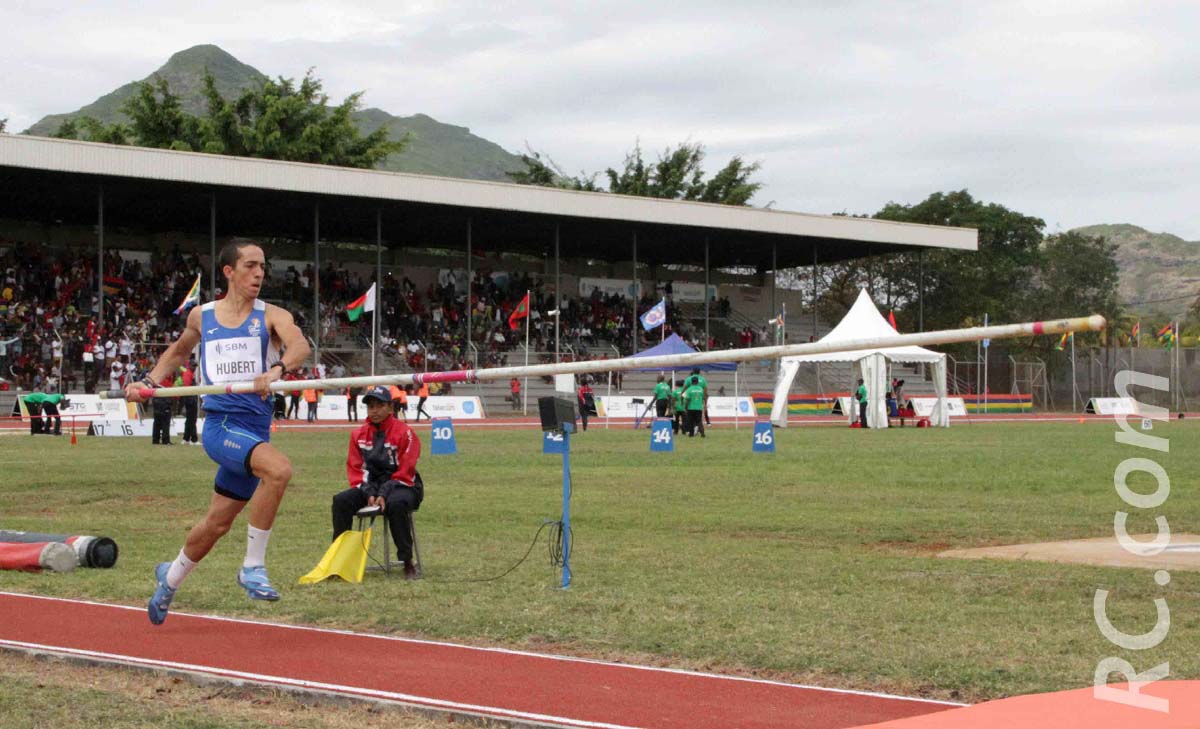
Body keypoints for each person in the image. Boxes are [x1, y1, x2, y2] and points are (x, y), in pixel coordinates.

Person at [127, 240, 310, 626]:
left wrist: (278, 369)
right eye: (250, 265)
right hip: (221, 426)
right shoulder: (203, 316)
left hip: (254, 432)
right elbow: (179, 352)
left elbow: (299, 345)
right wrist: (149, 381)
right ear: (229, 271)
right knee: (278, 470)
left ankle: (169, 581)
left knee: (216, 524)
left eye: (262, 266)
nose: (258, 273)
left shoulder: (272, 315)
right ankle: (252, 566)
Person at [332, 385, 422, 579]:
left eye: (380, 405)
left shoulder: (405, 432)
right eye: (371, 406)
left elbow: (406, 470)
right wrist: (369, 492)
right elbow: (356, 470)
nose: (374, 410)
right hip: (371, 486)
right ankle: (339, 562)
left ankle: (408, 562)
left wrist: (383, 493)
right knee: (341, 501)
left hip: (404, 484)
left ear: (390, 407)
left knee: (396, 504)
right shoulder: (357, 435)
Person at [151, 373, 174, 446]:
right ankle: (165, 440)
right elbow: (171, 391)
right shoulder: (166, 381)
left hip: (156, 401)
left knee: (157, 422)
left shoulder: (156, 380)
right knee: (165, 422)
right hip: (164, 402)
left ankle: (155, 440)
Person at [180, 363, 199, 445]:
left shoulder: (188, 373)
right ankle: (193, 439)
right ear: (190, 366)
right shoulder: (188, 373)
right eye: (193, 366)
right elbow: (187, 387)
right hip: (190, 399)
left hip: (190, 399)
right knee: (192, 419)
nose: (195, 368)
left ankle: (186, 438)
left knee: (189, 420)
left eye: (195, 366)